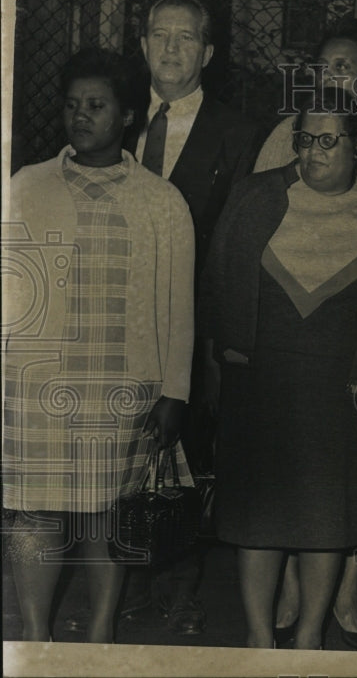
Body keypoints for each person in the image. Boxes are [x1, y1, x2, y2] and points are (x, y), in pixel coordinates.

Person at [3, 48, 195, 643]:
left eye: (96, 105)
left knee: (106, 509)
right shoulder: (25, 187)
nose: (80, 117)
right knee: (36, 507)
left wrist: (174, 392)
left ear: (129, 116)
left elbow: (179, 307)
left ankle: (100, 635)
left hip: (122, 385)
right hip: (37, 383)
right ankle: (35, 638)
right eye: (71, 105)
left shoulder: (161, 201)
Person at [200, 86, 357, 650]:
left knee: (326, 518)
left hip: (342, 392)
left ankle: (309, 638)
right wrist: (219, 370)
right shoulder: (254, 197)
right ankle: (261, 643)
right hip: (260, 383)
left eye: (329, 140)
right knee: (257, 518)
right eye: (305, 138)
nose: (313, 151)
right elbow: (216, 290)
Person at [114, 0, 264, 636]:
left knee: (186, 455)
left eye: (185, 38)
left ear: (207, 52)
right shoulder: (112, 117)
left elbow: (239, 244)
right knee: (117, 450)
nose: (170, 48)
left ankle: (181, 585)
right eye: (158, 34)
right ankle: (124, 578)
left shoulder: (238, 133)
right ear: (142, 43)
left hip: (196, 325)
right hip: (116, 319)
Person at [254, 18, 357, 645]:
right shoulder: (287, 137)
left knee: (351, 472)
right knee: (291, 470)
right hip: (295, 324)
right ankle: (289, 583)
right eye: (326, 66)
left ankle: (346, 588)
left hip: (355, 319)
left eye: (348, 66)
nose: (335, 77)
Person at [254, 16, 357, 193]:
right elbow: (258, 197)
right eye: (321, 68)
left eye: (341, 67)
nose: (327, 76)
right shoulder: (286, 132)